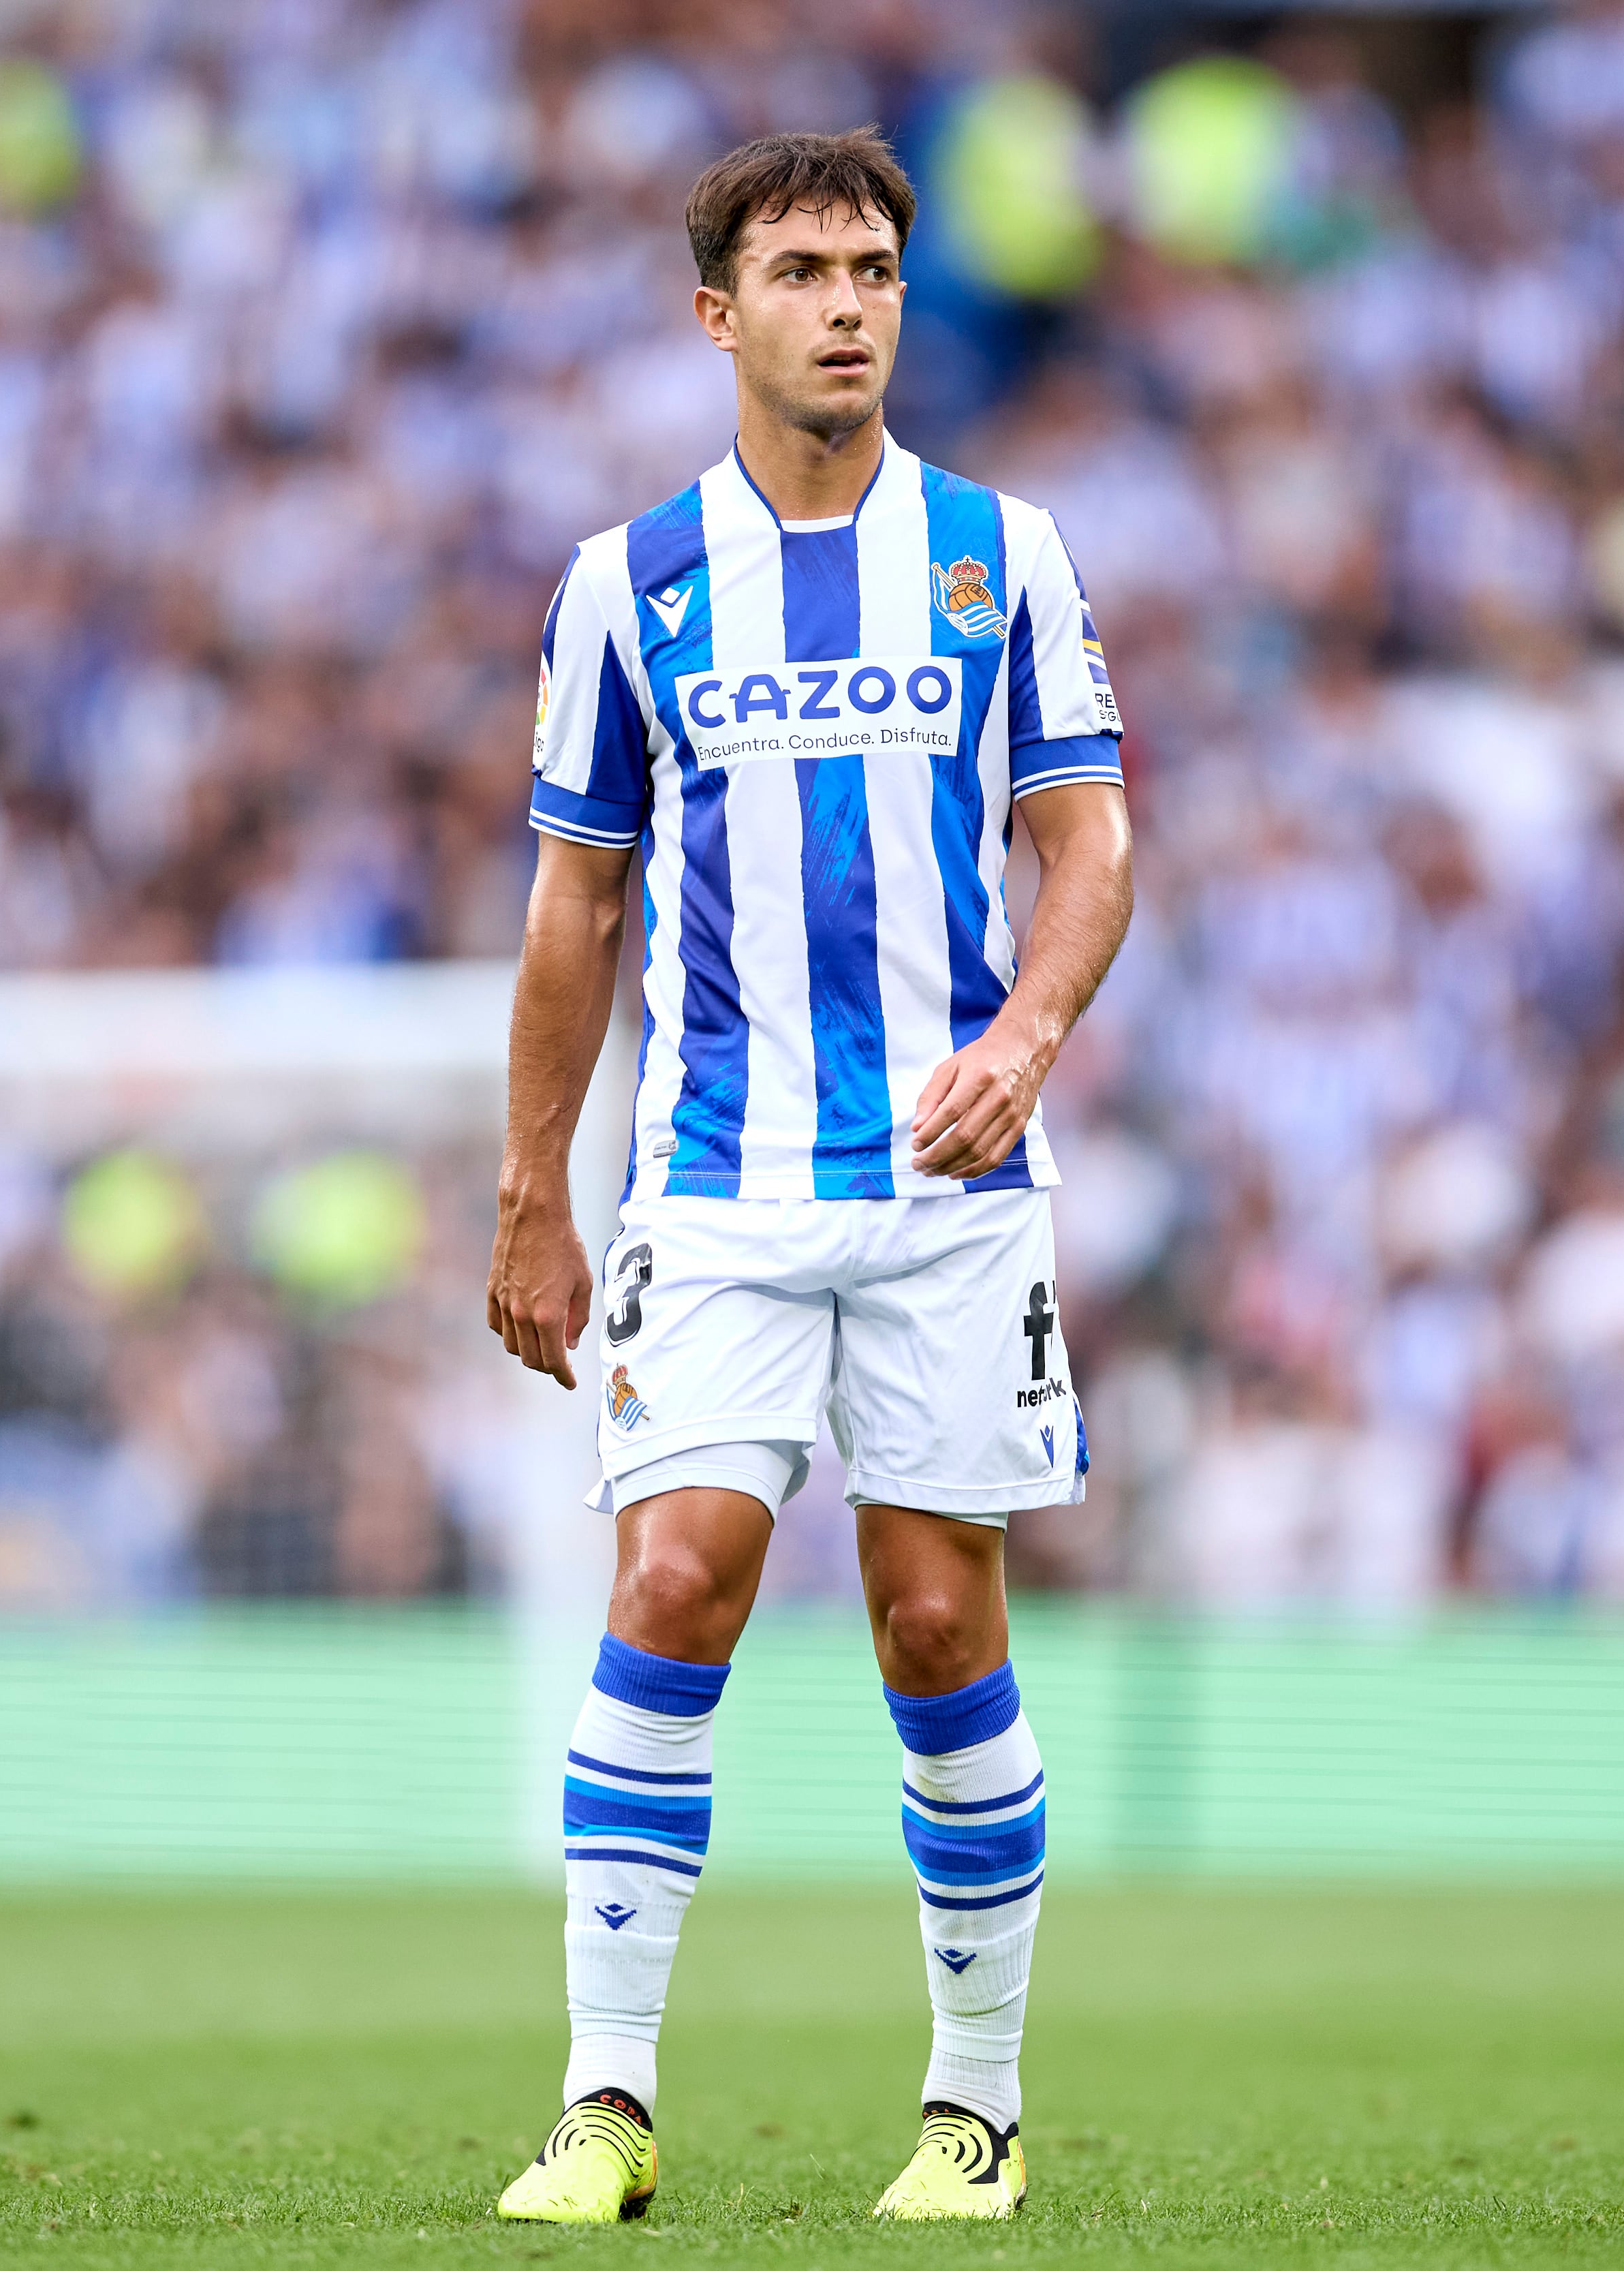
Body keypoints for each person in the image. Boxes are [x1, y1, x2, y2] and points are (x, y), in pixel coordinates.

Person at [481, 127, 1134, 2225]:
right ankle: (605, 2103)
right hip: (722, 1183)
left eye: (873, 270)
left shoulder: (1001, 554)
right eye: (802, 272)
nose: (847, 304)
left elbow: (1089, 845)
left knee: (938, 1626)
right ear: (719, 314)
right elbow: (576, 908)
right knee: (675, 1577)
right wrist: (530, 1190)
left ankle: (977, 2110)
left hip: (955, 1191)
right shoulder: (630, 581)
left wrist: (1025, 1037)